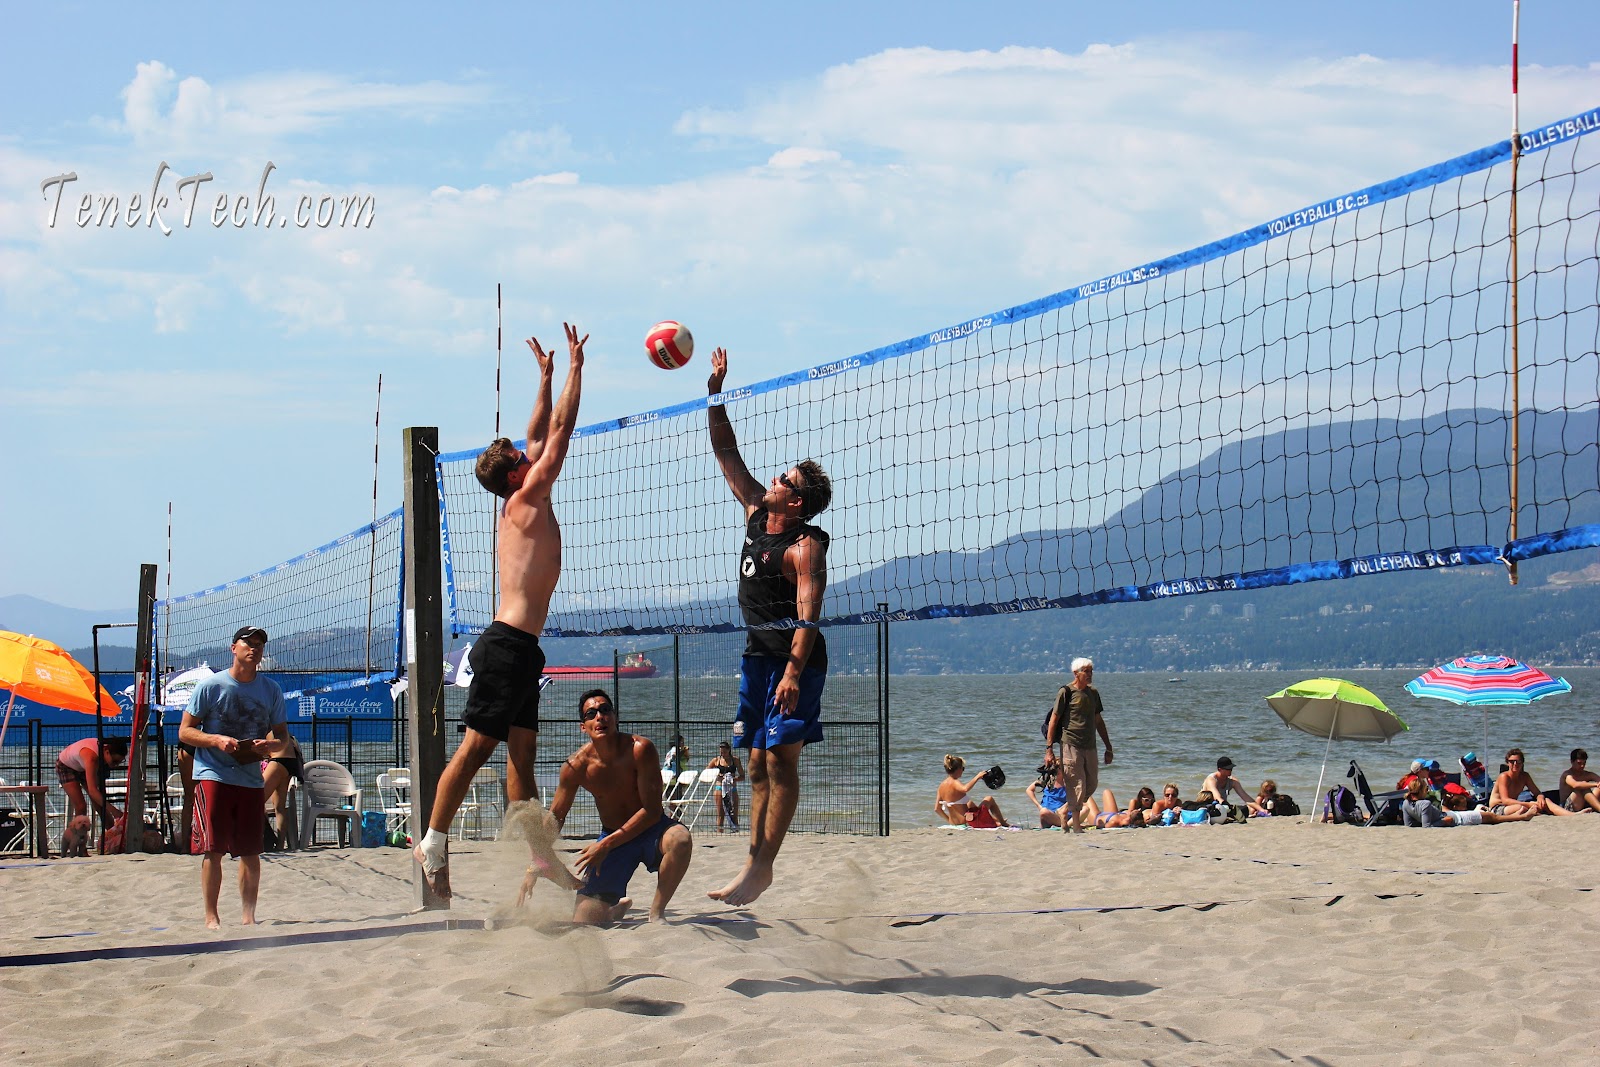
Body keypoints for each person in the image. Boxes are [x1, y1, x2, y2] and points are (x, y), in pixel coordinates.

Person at [414, 323, 587, 899]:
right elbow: (559, 432)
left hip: (521, 646)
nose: (527, 450)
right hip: (507, 645)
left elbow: (538, 429)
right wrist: (576, 370)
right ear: (517, 472)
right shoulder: (529, 497)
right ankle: (433, 842)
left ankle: (540, 860)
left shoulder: (521, 493)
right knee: (475, 749)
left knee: (523, 756)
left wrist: (543, 376)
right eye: (521, 455)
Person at [705, 345, 833, 906]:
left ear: (798, 500)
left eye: (785, 476)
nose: (774, 476)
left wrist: (793, 671)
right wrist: (715, 395)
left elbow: (809, 614)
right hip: (757, 656)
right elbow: (726, 452)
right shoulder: (757, 509)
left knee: (780, 763)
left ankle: (762, 866)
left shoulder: (805, 547)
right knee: (754, 763)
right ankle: (754, 862)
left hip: (793, 661)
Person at [520, 689, 693, 924]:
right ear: (584, 727)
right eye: (591, 713)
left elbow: (652, 811)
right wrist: (538, 862)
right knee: (583, 921)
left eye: (605, 710)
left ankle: (657, 912)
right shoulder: (575, 766)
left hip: (652, 830)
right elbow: (555, 818)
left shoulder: (640, 749)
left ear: (615, 717)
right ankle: (614, 910)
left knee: (681, 839)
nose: (599, 716)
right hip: (613, 838)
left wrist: (604, 845)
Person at [179, 626, 290, 928]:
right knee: (212, 849)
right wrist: (216, 740)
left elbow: (282, 738)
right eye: (249, 643)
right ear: (233, 648)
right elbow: (185, 731)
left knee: (251, 852)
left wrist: (270, 746)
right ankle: (211, 916)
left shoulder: (270, 690)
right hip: (213, 773)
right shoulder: (211, 686)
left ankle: (248, 916)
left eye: (259, 645)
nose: (254, 649)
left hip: (250, 776)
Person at [1042, 657, 1113, 833]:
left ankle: (1064, 810)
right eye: (1086, 671)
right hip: (1070, 744)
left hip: (1090, 745)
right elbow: (1054, 720)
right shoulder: (1066, 692)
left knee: (1092, 783)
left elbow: (1098, 720)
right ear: (1076, 673)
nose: (1089, 674)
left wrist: (1108, 746)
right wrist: (1049, 749)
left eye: (1091, 671)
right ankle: (1075, 825)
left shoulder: (1093, 693)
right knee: (1077, 784)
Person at [54, 735, 128, 839]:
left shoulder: (102, 757)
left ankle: (114, 837)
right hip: (66, 766)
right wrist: (115, 811)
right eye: (114, 762)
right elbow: (93, 791)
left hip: (83, 766)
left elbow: (97, 796)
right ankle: (78, 845)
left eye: (120, 762)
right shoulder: (92, 758)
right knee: (81, 806)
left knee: (100, 805)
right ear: (106, 751)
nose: (115, 765)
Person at [1489, 747, 1577, 818]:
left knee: (1545, 800)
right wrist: (1528, 804)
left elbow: (1537, 792)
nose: (1515, 764)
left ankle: (1568, 815)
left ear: (1522, 763)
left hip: (1512, 805)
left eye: (1518, 761)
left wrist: (1540, 798)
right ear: (1508, 763)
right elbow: (1505, 800)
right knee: (1521, 807)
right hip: (1497, 807)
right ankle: (1539, 813)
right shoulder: (1504, 777)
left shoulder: (1524, 776)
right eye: (1512, 762)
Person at [935, 755, 1010, 828]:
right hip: (969, 822)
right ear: (958, 769)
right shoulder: (954, 782)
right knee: (989, 799)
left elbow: (937, 809)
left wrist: (949, 820)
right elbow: (965, 789)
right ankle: (1003, 823)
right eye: (962, 768)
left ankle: (997, 821)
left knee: (969, 803)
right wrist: (977, 777)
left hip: (953, 823)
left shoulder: (941, 786)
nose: (962, 771)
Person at [260, 733, 304, 848]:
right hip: (290, 761)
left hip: (278, 760)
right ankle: (279, 845)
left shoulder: (262, 724)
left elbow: (262, 750)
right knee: (279, 807)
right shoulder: (281, 728)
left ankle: (267, 838)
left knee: (255, 800)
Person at [1200, 757, 1265, 816]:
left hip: (1223, 807)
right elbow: (1217, 797)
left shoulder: (1232, 781)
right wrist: (1229, 807)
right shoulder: (1211, 779)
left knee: (1248, 809)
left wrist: (1261, 810)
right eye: (1228, 769)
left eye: (1231, 768)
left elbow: (1246, 797)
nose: (1230, 770)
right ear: (1220, 769)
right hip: (1208, 807)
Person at [1025, 756, 1071, 829]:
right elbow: (1029, 790)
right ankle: (1065, 824)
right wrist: (1038, 806)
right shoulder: (1047, 781)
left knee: (1085, 809)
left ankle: (1065, 823)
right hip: (1049, 813)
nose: (1058, 771)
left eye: (1060, 768)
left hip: (1064, 814)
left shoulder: (1067, 782)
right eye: (1056, 768)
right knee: (1043, 811)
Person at [708, 741, 744, 833]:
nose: (723, 754)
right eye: (721, 752)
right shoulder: (716, 760)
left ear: (729, 750)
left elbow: (742, 776)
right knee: (721, 814)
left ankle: (735, 831)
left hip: (732, 788)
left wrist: (733, 779)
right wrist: (717, 775)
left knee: (734, 813)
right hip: (719, 788)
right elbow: (707, 772)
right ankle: (720, 832)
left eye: (724, 752)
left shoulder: (735, 760)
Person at [1080, 786, 1156, 828]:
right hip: (1111, 813)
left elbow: (1099, 827)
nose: (1138, 810)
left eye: (1137, 811)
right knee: (1107, 791)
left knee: (1084, 795)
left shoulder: (1115, 822)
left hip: (1097, 817)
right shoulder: (1127, 815)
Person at [1558, 748, 1600, 813]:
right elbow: (1575, 785)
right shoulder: (1567, 775)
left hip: (1583, 804)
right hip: (1567, 807)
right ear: (1572, 762)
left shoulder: (1587, 774)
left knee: (1598, 789)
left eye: (1584, 763)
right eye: (1579, 763)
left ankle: (1595, 807)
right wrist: (1595, 784)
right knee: (1582, 787)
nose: (1582, 766)